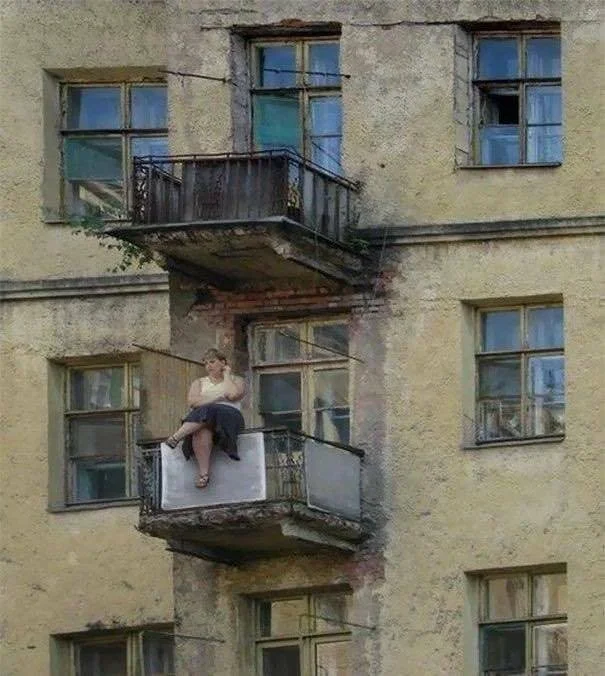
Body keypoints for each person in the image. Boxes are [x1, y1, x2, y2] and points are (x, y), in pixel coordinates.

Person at [166, 348, 246, 488]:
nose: (208, 366)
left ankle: (176, 437)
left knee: (209, 409)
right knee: (201, 431)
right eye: (206, 363)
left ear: (223, 363)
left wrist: (227, 374)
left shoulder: (237, 380)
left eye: (212, 362)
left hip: (230, 418)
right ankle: (204, 474)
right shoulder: (199, 382)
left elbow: (233, 395)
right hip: (204, 419)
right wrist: (216, 398)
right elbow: (192, 402)